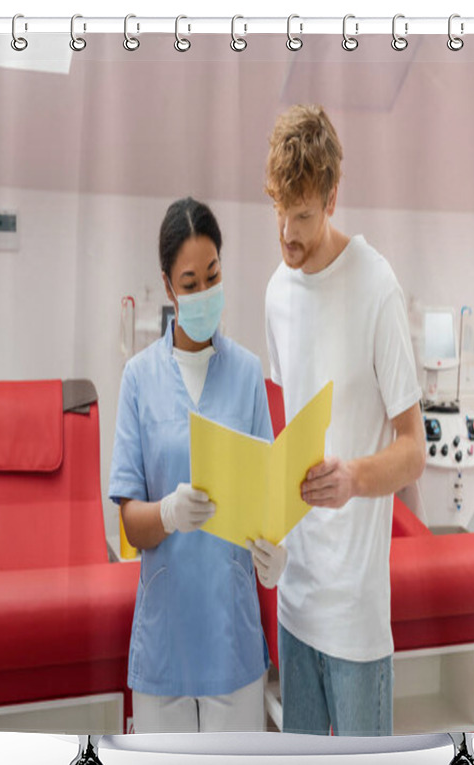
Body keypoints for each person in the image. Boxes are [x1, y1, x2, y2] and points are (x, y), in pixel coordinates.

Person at [264, 105, 426, 736]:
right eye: (278, 211)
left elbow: (413, 450)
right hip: (293, 602)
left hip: (355, 618)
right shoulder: (278, 291)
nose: (287, 234)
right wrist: (266, 527)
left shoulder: (376, 286)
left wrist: (354, 477)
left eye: (301, 215)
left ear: (333, 198)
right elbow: (282, 435)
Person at [109, 197, 287, 734]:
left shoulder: (248, 373)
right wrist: (165, 513)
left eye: (213, 276)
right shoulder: (138, 379)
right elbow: (128, 524)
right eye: (190, 283)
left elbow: (271, 499)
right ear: (168, 287)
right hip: (165, 642)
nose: (205, 293)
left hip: (231, 637)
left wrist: (277, 551)